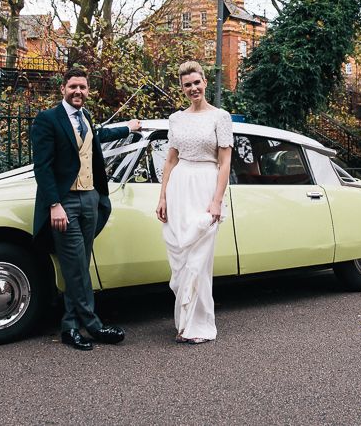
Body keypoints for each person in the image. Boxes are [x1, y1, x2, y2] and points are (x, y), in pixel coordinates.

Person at [31, 66, 141, 351]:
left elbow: (98, 136)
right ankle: (93, 324)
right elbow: (42, 167)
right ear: (63, 89)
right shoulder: (47, 119)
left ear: (87, 91)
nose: (78, 91)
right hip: (64, 203)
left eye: (83, 87)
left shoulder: (86, 118)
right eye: (73, 87)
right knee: (77, 265)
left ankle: (69, 327)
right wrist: (54, 204)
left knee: (77, 265)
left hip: (91, 198)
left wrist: (129, 127)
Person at [156, 61, 233, 344]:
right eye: (187, 85)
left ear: (205, 82)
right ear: (182, 88)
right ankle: (183, 322)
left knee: (199, 260)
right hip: (179, 187)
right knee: (180, 259)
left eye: (196, 83)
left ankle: (198, 325)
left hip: (205, 186)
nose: (193, 89)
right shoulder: (176, 119)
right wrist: (163, 195)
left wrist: (217, 201)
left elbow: (225, 163)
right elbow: (170, 159)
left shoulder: (220, 117)